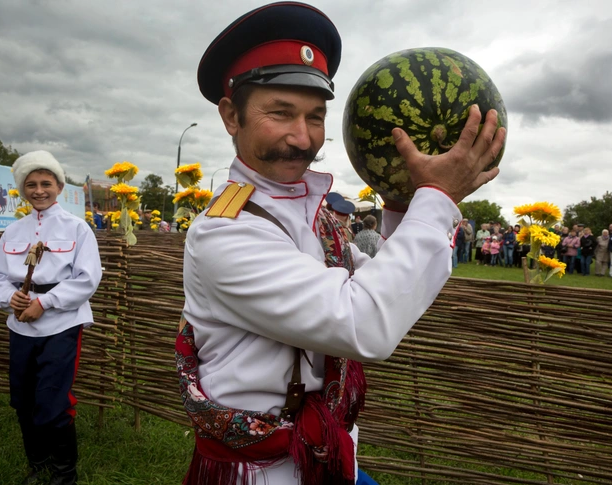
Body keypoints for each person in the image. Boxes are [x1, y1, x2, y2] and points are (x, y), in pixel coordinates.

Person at [176, 3, 505, 484]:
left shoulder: (315, 214)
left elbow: (387, 284)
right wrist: (437, 198)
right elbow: (364, 322)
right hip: (264, 470)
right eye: (281, 113)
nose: (302, 137)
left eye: (315, 116)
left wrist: (401, 201)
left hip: (326, 449)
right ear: (231, 115)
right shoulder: (225, 231)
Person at [0, 151, 102, 485]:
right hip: (20, 323)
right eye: (32, 184)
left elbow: (87, 278)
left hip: (61, 324)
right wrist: (11, 297)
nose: (39, 190)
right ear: (22, 189)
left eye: (46, 183)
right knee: (23, 398)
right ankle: (37, 465)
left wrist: (46, 302)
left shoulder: (77, 228)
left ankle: (64, 474)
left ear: (59, 186)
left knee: (53, 399)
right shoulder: (13, 231)